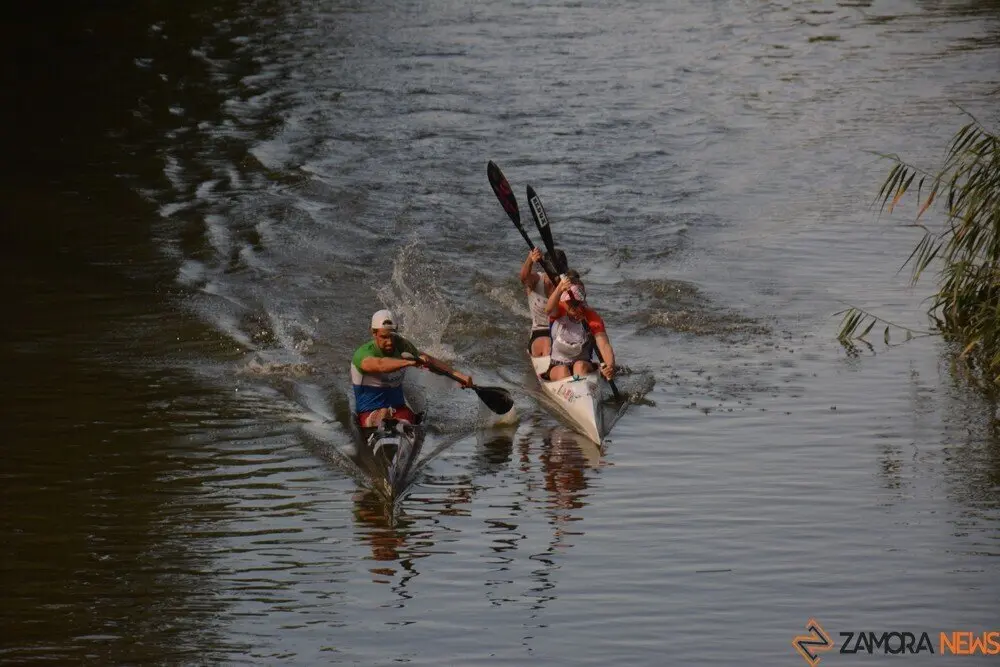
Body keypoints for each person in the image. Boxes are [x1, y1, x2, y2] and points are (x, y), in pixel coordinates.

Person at [351, 309, 473, 428]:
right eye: (384, 337)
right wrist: (407, 362)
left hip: (398, 408)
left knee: (406, 419)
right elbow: (380, 365)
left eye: (392, 336)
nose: (389, 342)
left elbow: (430, 362)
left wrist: (459, 376)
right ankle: (381, 420)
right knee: (381, 421)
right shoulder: (363, 353)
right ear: (374, 333)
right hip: (368, 411)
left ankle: (394, 421)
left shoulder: (402, 345)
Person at [544, 276, 616, 382]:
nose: (573, 305)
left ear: (582, 302)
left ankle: (582, 390)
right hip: (557, 365)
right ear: (564, 301)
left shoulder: (591, 317)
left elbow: (604, 345)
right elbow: (548, 310)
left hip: (583, 365)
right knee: (563, 371)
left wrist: (609, 366)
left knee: (579, 366)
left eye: (577, 302)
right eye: (569, 302)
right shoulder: (559, 310)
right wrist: (559, 288)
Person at [519, 247, 568, 357]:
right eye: (555, 274)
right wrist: (530, 259)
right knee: (548, 346)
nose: (557, 279)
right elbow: (523, 278)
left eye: (560, 273)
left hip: (563, 330)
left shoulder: (567, 284)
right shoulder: (536, 281)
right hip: (541, 330)